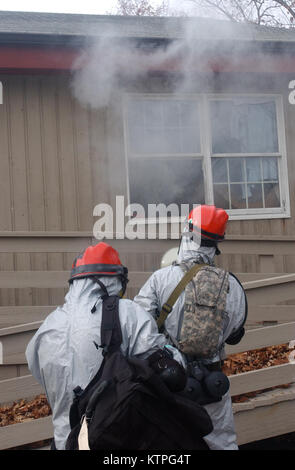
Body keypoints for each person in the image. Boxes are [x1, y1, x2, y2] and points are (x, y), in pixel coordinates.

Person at [25, 242, 185, 450]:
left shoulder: (48, 326)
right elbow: (168, 370)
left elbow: (40, 373)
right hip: (114, 440)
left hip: (66, 441)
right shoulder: (127, 312)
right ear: (114, 280)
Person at [134, 205, 247, 451]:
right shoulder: (233, 285)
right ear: (216, 243)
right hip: (212, 385)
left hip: (168, 383)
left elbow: (138, 328)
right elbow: (236, 334)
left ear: (187, 231)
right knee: (222, 444)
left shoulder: (160, 279)